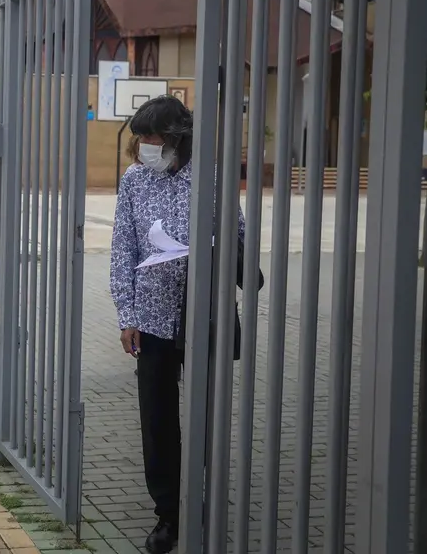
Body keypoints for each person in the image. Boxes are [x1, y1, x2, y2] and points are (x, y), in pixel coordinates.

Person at [109, 96, 252, 554]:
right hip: (151, 318)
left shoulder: (209, 177)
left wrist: (208, 244)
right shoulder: (134, 181)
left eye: (154, 137)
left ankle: (203, 500)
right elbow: (122, 250)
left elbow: (240, 238)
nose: (146, 145)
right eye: (141, 138)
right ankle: (168, 514)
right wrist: (127, 315)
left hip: (203, 312)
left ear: (177, 138)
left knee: (207, 414)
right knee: (158, 418)